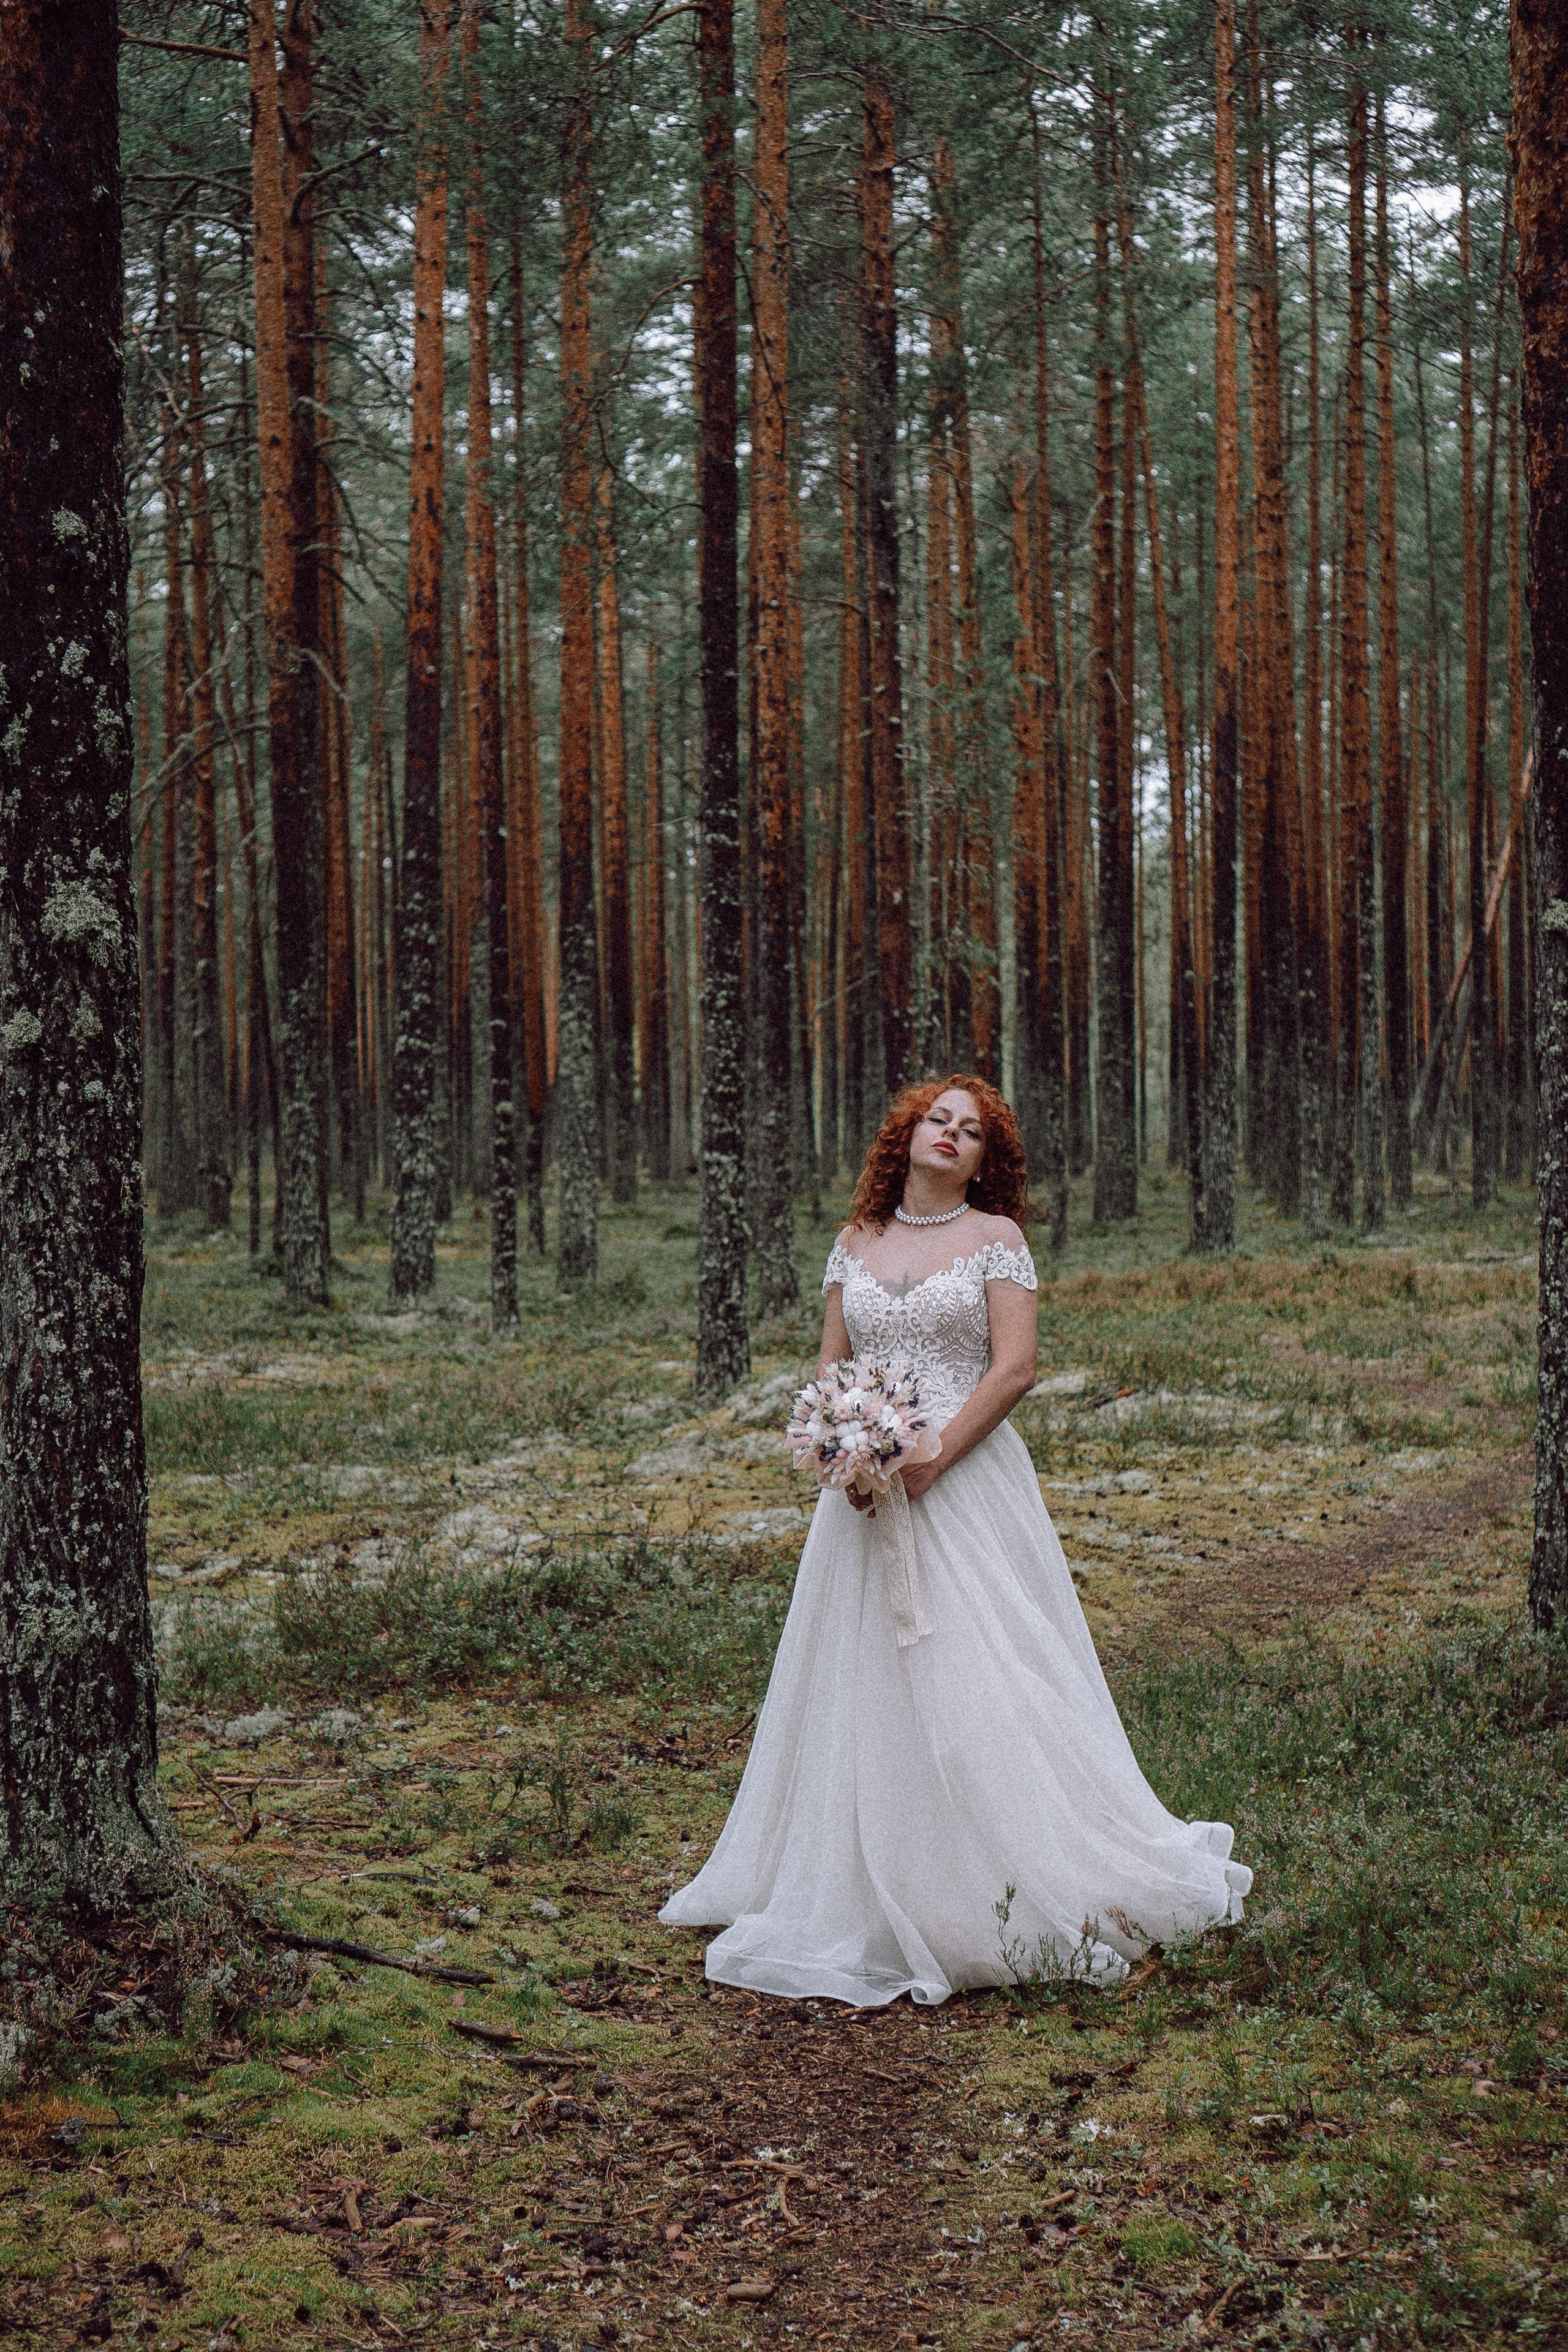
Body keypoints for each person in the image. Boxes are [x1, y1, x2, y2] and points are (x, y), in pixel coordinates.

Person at [661, 1076, 1251, 2007]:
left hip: (966, 1476)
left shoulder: (996, 1242)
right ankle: (857, 1876)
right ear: (907, 1134)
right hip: (863, 1489)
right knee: (862, 1676)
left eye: (972, 1132)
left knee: (983, 1664)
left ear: (987, 1158)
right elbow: (832, 1363)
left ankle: (1002, 1874)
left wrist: (932, 1457)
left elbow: (1016, 1369)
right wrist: (843, 1450)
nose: (952, 1135)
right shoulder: (853, 1242)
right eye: (939, 1119)